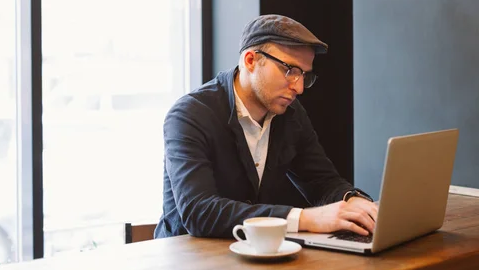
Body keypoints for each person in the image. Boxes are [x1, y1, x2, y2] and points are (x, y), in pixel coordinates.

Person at [155, 14, 378, 239]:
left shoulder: (290, 114)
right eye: (290, 70)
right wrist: (306, 219)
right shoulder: (190, 115)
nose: (299, 87)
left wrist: (354, 201)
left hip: (253, 253)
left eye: (304, 75)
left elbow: (321, 181)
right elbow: (200, 212)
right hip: (187, 260)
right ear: (250, 60)